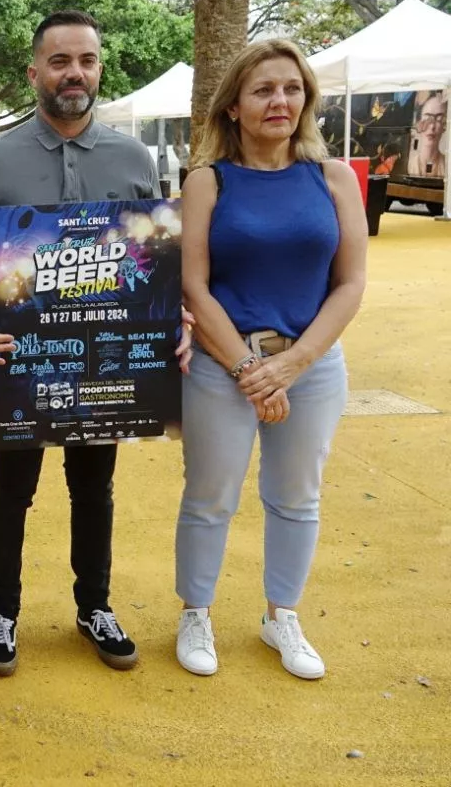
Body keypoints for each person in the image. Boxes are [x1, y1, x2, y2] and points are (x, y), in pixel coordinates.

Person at [0, 11, 167, 677]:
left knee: (94, 488)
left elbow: (156, 256)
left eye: (87, 61)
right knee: (11, 488)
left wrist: (160, 336)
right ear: (34, 72)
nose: (75, 73)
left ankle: (93, 606)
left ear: (99, 68)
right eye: (60, 61)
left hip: (108, 367)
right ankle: (0, 611)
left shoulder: (135, 160)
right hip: (22, 365)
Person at [174, 39, 366, 680]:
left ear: (306, 99)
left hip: (312, 369)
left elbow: (350, 284)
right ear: (233, 106)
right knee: (209, 496)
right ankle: (195, 612)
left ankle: (281, 615)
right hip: (222, 366)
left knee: (297, 497)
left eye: (291, 88)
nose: (279, 101)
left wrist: (294, 365)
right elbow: (194, 286)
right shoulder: (207, 182)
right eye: (262, 90)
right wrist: (249, 371)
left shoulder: (334, 179)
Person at [406, 91, 447, 179]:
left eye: (439, 119)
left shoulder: (448, 165)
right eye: (427, 118)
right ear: (418, 123)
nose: (432, 126)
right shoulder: (408, 165)